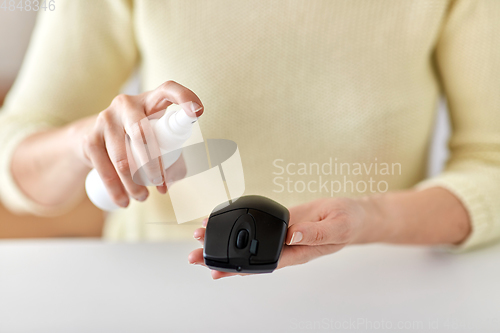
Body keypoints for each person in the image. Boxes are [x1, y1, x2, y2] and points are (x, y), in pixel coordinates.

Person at [0, 1, 499, 279]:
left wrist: (373, 216)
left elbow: (491, 163)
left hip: (373, 284)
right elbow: (16, 155)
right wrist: (82, 144)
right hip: (156, 290)